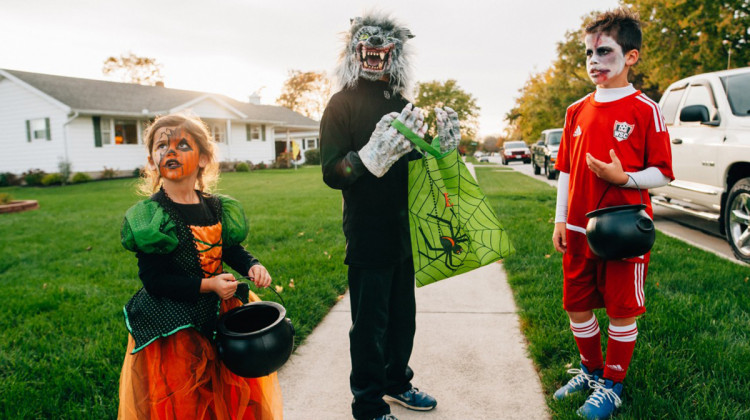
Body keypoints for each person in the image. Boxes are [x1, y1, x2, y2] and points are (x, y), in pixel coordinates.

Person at [320, 12, 459, 420]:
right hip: (367, 232)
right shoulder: (340, 103)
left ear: (395, 53)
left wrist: (443, 152)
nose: (375, 53)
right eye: (367, 45)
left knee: (402, 319)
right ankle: (367, 403)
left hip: (405, 230)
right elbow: (332, 173)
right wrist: (365, 158)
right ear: (355, 50)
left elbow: (421, 168)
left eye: (384, 47)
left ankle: (397, 382)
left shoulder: (402, 104)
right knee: (369, 325)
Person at [551, 8, 675, 420]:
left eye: (605, 51)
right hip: (578, 227)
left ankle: (613, 383)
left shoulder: (645, 109)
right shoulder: (575, 111)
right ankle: (589, 371)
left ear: (631, 56)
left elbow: (663, 174)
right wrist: (560, 219)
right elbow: (566, 169)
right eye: (588, 52)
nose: (593, 60)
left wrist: (625, 180)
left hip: (624, 230)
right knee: (576, 304)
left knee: (622, 309)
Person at [117, 113, 283, 419]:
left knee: (231, 389)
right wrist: (208, 285)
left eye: (182, 144)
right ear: (152, 161)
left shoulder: (216, 207)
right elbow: (154, 280)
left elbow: (229, 248)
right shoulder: (153, 217)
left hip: (220, 314)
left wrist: (252, 266)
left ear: (204, 158)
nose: (170, 151)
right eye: (161, 145)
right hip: (176, 326)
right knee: (187, 400)